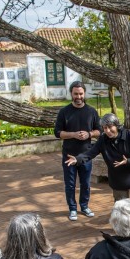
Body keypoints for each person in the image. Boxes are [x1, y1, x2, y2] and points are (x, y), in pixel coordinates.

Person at [66, 113, 130, 234]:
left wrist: (128, 161)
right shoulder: (103, 140)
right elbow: (91, 153)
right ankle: (123, 227)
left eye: (110, 127)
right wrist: (77, 159)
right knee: (120, 207)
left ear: (117, 125)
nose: (108, 131)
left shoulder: (129, 136)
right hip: (118, 178)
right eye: (105, 128)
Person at [54, 81, 101, 221]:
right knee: (70, 184)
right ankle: (73, 209)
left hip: (86, 155)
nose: (78, 96)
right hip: (69, 154)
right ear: (71, 94)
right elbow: (57, 133)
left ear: (84, 93)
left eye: (81, 93)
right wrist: (73, 134)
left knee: (85, 183)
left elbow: (99, 131)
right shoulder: (64, 112)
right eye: (76, 94)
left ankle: (85, 206)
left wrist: (89, 134)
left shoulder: (91, 111)